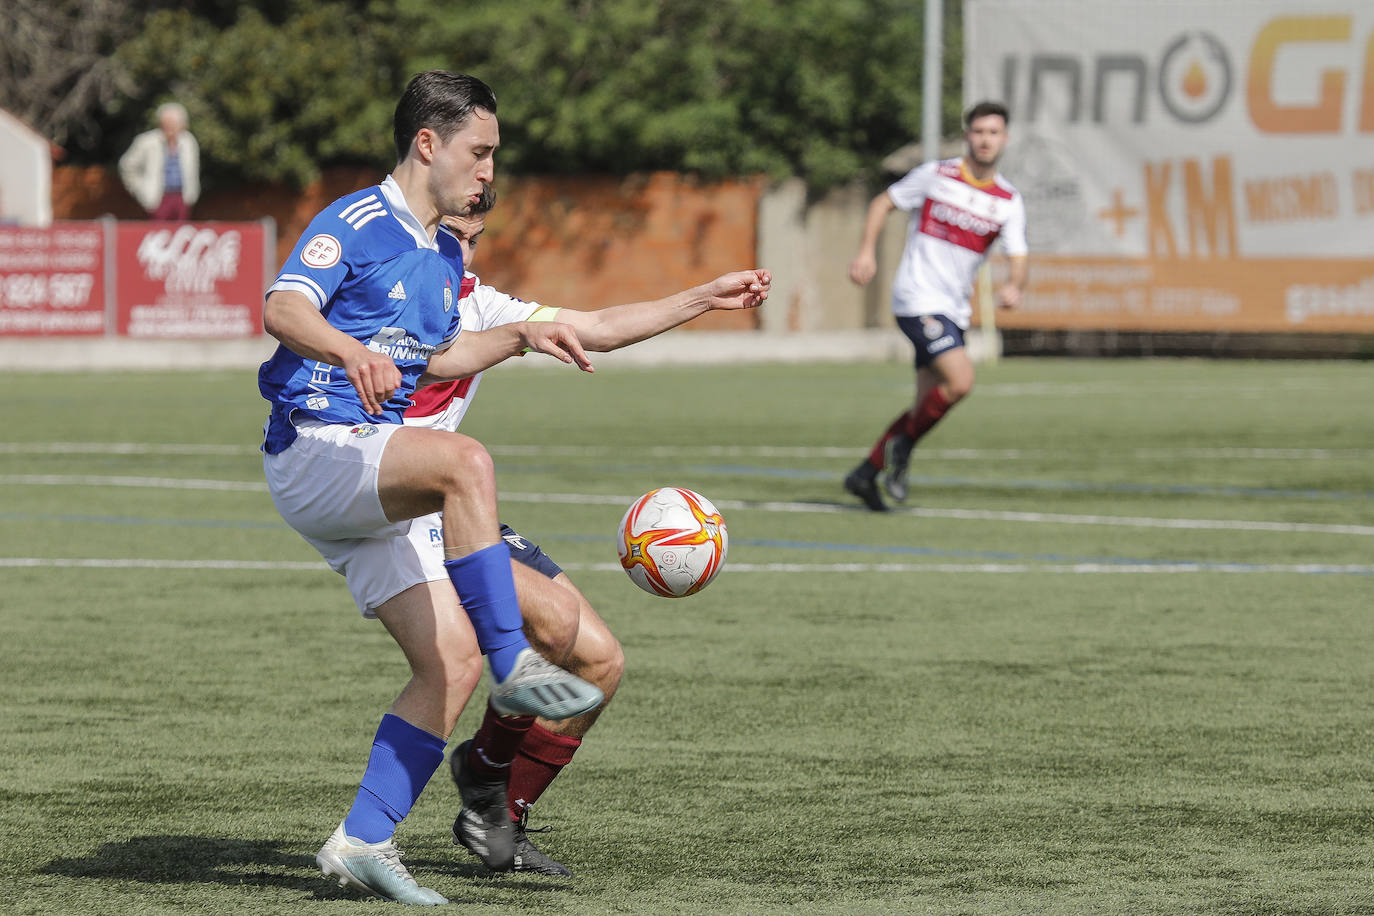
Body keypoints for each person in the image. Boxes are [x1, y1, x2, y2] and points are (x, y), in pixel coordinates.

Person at [258, 70, 608, 906]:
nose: (489, 171)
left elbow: (443, 358)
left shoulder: (436, 255)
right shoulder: (358, 220)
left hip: (366, 473)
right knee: (466, 462)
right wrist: (347, 350)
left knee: (446, 664)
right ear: (428, 144)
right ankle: (513, 659)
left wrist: (520, 334)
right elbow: (281, 308)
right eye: (479, 151)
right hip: (317, 449)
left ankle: (362, 840)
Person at [342, 193, 769, 879]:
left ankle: (493, 811)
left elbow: (595, 324)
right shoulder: (369, 299)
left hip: (460, 509)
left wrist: (702, 298)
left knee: (599, 663)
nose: (460, 252)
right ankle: (464, 781)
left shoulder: (478, 305)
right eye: (449, 234)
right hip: (396, 510)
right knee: (550, 627)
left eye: (473, 239)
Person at [843, 100, 1028, 512]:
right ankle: (901, 450)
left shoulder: (1007, 200)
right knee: (961, 381)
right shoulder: (937, 175)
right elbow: (882, 203)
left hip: (953, 309)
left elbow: (1018, 256)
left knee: (929, 401)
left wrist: (1014, 286)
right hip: (916, 297)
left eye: (993, 132)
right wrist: (866, 253)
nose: (985, 139)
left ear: (1005, 139)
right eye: (978, 131)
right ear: (967, 135)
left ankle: (866, 473)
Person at [118, 102, 200, 220]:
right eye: (167, 125)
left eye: (173, 125)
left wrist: (192, 195)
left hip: (182, 197)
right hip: (158, 198)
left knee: (180, 233)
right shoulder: (147, 141)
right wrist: (140, 189)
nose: (170, 128)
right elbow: (127, 166)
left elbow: (193, 170)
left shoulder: (189, 142)